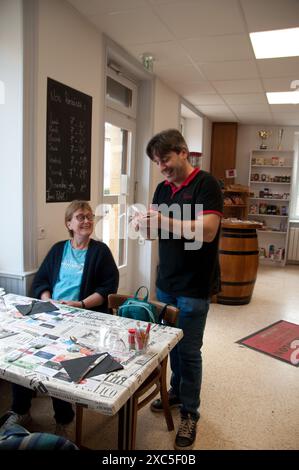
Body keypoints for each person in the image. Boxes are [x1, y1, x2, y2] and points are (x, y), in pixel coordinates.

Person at [137, 129, 223, 450]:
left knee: (189, 352)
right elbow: (154, 233)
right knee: (170, 346)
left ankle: (190, 412)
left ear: (184, 152)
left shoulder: (207, 184)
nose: (162, 167)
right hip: (167, 282)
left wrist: (163, 218)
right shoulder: (162, 188)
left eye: (166, 159)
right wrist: (144, 226)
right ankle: (175, 392)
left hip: (194, 285)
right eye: (158, 163)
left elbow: (209, 230)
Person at [5, 200, 119, 437]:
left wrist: (80, 304)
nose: (86, 220)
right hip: (52, 312)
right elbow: (41, 280)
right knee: (23, 349)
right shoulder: (59, 249)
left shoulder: (100, 251)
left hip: (83, 314)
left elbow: (109, 287)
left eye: (89, 216)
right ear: (69, 223)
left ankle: (64, 418)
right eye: (80, 217)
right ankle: (21, 409)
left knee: (63, 359)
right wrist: (47, 299)